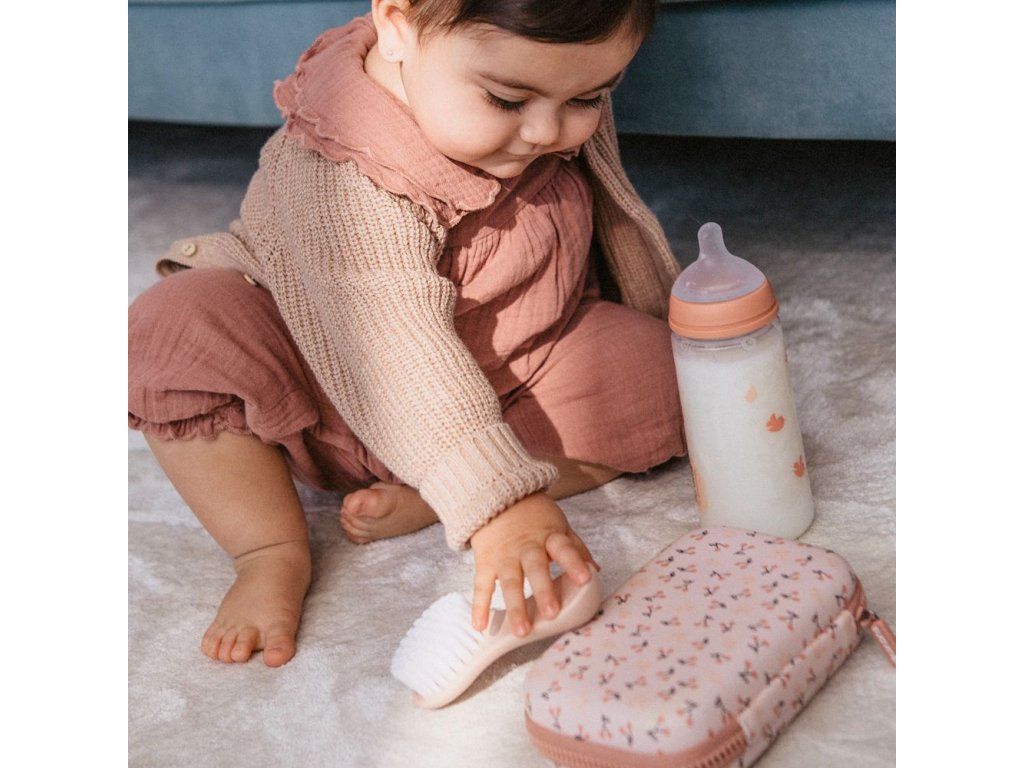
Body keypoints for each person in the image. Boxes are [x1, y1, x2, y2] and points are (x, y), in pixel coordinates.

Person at [128, 0, 685, 668]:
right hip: (327, 387)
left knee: (668, 371)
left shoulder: (542, 86)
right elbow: (395, 348)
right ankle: (268, 551)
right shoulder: (342, 172)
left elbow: (616, 215)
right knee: (170, 330)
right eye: (507, 100)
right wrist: (501, 504)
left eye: (588, 98)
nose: (546, 132)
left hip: (513, 372)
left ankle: (434, 493)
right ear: (398, 24)